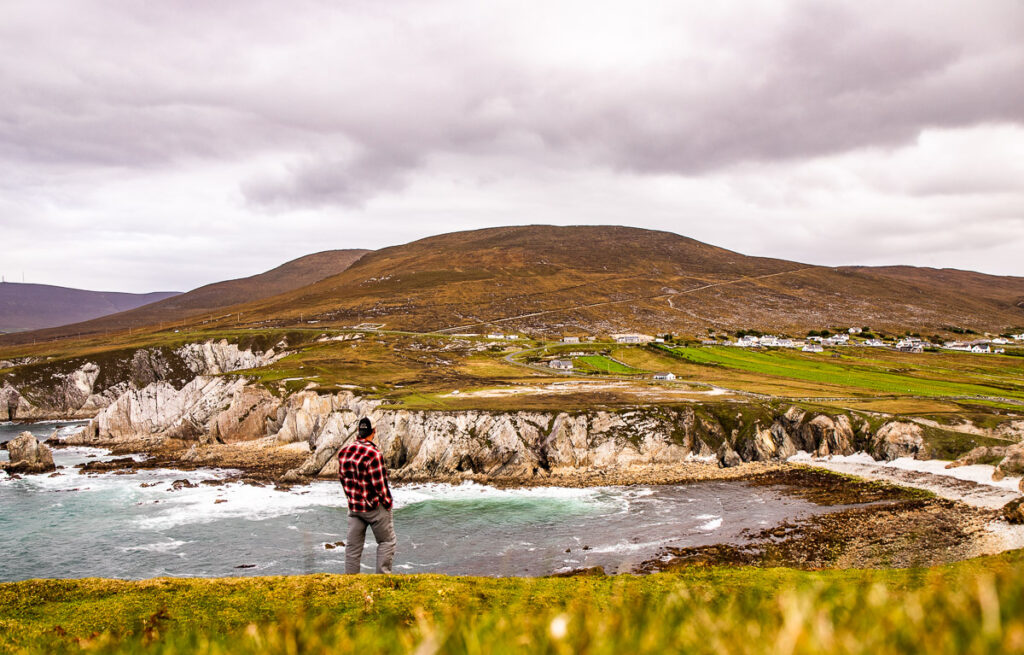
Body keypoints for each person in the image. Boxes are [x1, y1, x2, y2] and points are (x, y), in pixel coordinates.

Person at [338, 417, 396, 574]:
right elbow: (381, 486)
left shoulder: (344, 452)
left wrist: (351, 498)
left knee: (353, 549)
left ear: (359, 432)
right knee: (386, 542)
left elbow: (343, 479)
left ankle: (351, 583)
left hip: (354, 508)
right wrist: (388, 503)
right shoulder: (374, 454)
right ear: (373, 432)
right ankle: (382, 580)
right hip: (374, 509)